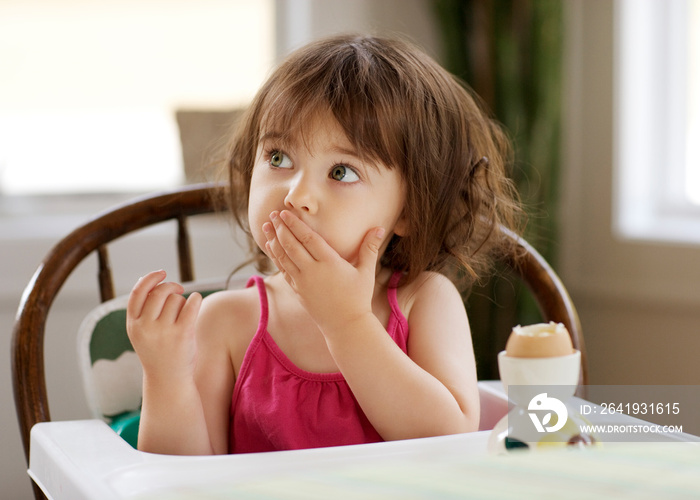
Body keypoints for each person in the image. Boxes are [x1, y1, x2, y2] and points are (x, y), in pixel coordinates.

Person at [126, 34, 523, 455]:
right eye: (278, 158)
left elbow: (451, 439)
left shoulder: (423, 301)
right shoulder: (226, 321)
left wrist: (346, 323)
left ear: (409, 210)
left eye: (341, 172)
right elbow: (181, 478)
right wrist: (166, 377)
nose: (297, 195)